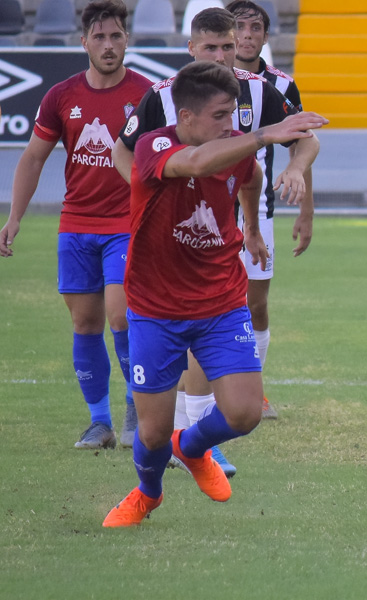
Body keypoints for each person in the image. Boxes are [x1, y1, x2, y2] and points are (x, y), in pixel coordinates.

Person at [101, 61, 327, 527]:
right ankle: (148, 493)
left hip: (221, 301)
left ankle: (192, 446)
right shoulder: (155, 144)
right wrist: (270, 133)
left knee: (245, 414)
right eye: (221, 116)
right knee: (153, 430)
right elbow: (198, 163)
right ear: (186, 117)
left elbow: (251, 179)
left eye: (234, 116)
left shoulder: (233, 148)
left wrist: (251, 229)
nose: (231, 125)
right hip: (155, 307)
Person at [0, 0, 151, 450]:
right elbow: (32, 158)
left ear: (127, 40)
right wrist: (14, 217)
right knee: (85, 324)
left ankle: (134, 410)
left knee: (121, 315)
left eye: (116, 36)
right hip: (76, 226)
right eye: (100, 37)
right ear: (83, 41)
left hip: (127, 224)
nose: (108, 45)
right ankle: (98, 421)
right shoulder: (62, 95)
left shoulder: (146, 96)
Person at [229, 0, 313, 420]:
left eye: (254, 27)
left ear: (265, 35)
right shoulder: (197, 82)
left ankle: (253, 388)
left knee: (255, 302)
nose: (246, 35)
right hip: (206, 205)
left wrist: (306, 211)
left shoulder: (279, 85)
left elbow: (301, 143)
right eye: (238, 27)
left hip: (257, 207)